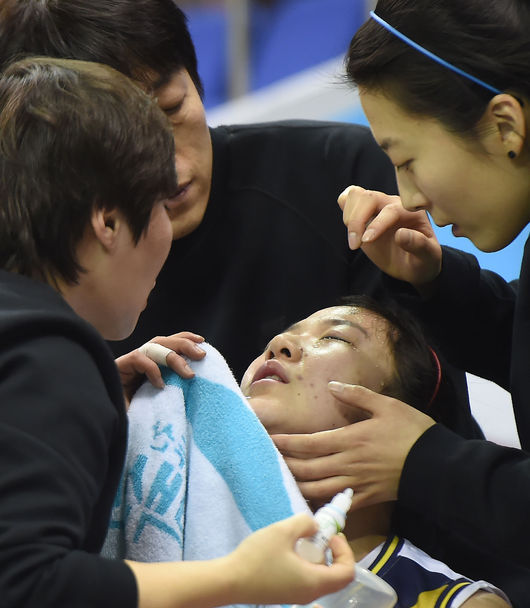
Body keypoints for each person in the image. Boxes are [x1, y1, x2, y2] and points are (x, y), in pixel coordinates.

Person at [0, 56, 355, 608]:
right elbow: (24, 594)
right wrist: (236, 578)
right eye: (161, 207)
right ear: (108, 222)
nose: (169, 231)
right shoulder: (49, 353)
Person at [0, 0, 480, 445]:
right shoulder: (37, 290)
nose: (170, 170)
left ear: (195, 78)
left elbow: (431, 420)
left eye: (173, 109)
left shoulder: (346, 183)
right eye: (117, 151)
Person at [270, 0, 530, 608]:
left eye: (407, 159)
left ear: (505, 125)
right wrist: (434, 280)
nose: (409, 196)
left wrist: (425, 463)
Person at [238, 297, 530, 608]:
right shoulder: (164, 533)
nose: (279, 344)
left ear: (397, 418)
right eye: (285, 334)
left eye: (334, 337)